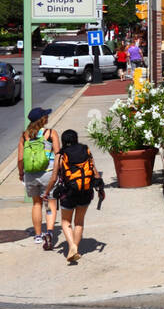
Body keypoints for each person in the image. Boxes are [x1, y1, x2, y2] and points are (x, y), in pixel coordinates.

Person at [44, 129, 102, 264]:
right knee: (79, 222)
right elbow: (95, 171)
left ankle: (72, 247)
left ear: (64, 141)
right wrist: (99, 188)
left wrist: (47, 192)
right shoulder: (86, 150)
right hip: (85, 191)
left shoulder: (61, 155)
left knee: (66, 222)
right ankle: (75, 249)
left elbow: (53, 178)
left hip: (67, 193)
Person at [17, 107, 60, 249]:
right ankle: (49, 232)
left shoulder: (25, 136)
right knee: (50, 203)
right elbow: (58, 154)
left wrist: (21, 173)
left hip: (30, 174)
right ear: (43, 119)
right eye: (46, 116)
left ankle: (37, 235)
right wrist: (57, 171)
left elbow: (20, 159)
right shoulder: (50, 133)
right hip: (48, 173)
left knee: (36, 203)